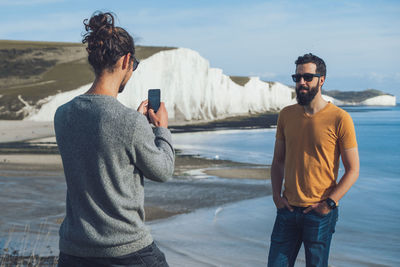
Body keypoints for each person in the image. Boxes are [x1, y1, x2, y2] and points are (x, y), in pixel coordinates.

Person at [54, 12, 174, 267]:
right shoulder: (128, 122)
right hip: (125, 252)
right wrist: (161, 128)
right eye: (135, 65)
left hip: (74, 251)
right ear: (127, 60)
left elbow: (102, 150)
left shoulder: (62, 115)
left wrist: (138, 124)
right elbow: (163, 170)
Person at [267, 53, 359, 266]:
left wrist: (329, 203)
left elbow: (353, 169)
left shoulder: (340, 118)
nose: (301, 82)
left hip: (319, 214)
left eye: (308, 77)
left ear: (322, 79)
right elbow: (278, 161)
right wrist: (275, 196)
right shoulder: (286, 115)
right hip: (287, 209)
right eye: (297, 77)